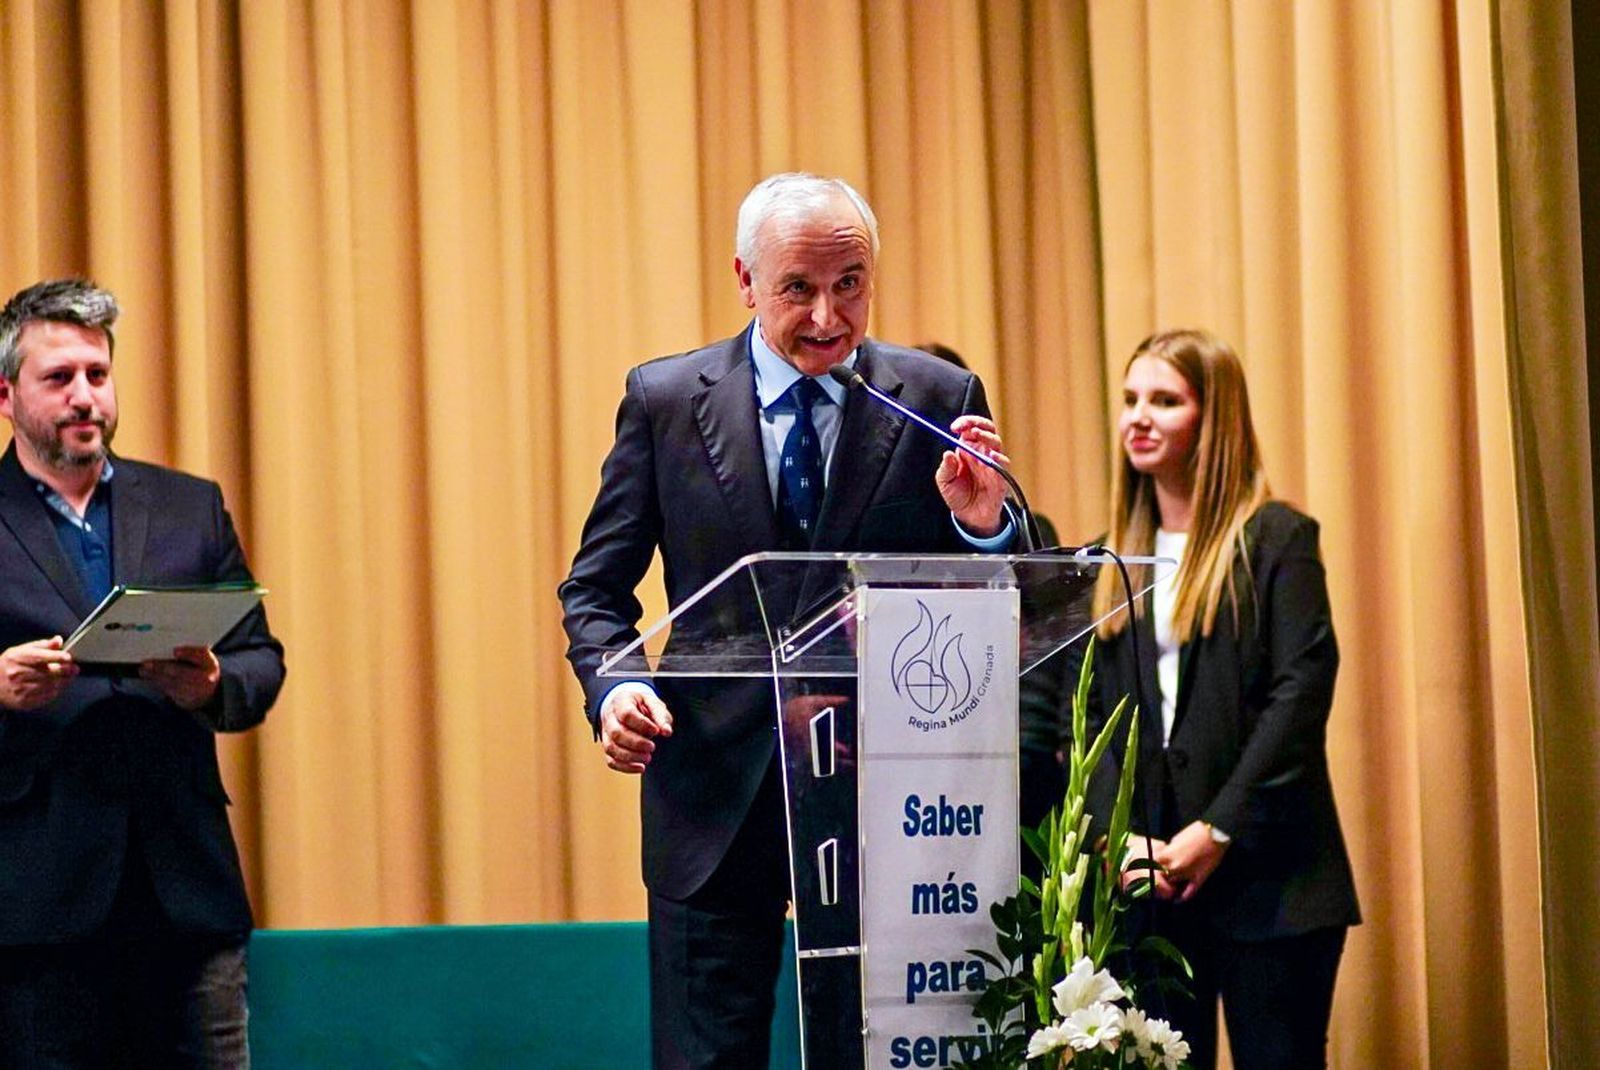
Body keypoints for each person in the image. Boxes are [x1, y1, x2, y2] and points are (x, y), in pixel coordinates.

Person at [560, 173, 1016, 1068]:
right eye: (797, 288)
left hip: (884, 801)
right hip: (712, 793)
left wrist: (982, 520)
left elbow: (996, 589)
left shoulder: (933, 395)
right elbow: (596, 589)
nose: (825, 315)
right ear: (744, 279)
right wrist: (617, 688)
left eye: (849, 284)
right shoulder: (664, 400)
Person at [0, 279, 285, 1067]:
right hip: (34, 903)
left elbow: (263, 657)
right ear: (7, 395)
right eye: (59, 378)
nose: (84, 396)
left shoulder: (189, 505)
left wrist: (212, 682)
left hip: (184, 887)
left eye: (98, 373)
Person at [1081, 329, 1360, 1069]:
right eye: (1131, 399)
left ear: (1215, 419)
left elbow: (1300, 696)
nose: (1139, 417)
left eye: (1165, 401)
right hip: (1150, 887)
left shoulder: (1276, 540)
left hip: (1271, 880)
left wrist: (1217, 829)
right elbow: (1094, 724)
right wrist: (1118, 840)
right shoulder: (1109, 559)